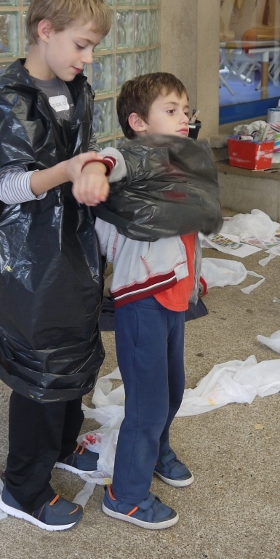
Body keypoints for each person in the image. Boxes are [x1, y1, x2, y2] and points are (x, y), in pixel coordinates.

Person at [0, 0, 114, 531]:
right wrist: (70, 170)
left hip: (68, 245)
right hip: (23, 254)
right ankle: (23, 488)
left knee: (75, 345)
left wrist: (94, 166)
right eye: (81, 44)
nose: (88, 56)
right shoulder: (15, 97)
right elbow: (6, 188)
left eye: (94, 46)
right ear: (45, 31)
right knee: (40, 368)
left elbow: (80, 153)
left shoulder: (76, 87)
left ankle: (63, 444)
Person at [92, 72, 219, 530]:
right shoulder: (134, 156)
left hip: (174, 296)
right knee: (145, 404)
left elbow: (185, 235)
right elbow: (110, 158)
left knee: (171, 389)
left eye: (186, 110)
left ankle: (158, 451)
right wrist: (93, 170)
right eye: (171, 110)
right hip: (142, 301)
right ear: (137, 122)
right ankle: (125, 494)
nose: (184, 118)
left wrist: (193, 278)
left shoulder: (174, 164)